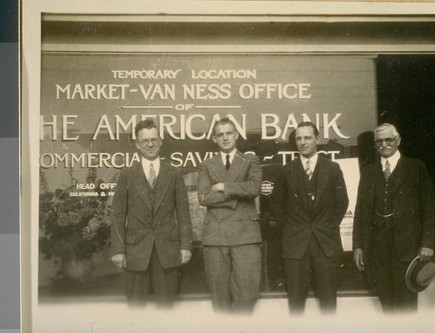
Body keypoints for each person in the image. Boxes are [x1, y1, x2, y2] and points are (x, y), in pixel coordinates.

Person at [352, 123, 435, 313]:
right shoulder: (368, 172)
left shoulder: (415, 167)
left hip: (408, 247)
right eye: (379, 141)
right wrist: (358, 246)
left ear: (397, 140)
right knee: (386, 302)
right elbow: (360, 211)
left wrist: (428, 243)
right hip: (377, 247)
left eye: (388, 139)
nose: (383, 144)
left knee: (406, 303)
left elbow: (429, 208)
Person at [110, 119, 192, 307]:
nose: (150, 144)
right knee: (136, 308)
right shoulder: (126, 174)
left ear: (160, 141)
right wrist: (118, 250)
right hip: (135, 252)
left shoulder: (174, 173)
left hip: (167, 252)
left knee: (166, 308)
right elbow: (118, 215)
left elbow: (183, 212)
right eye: (145, 141)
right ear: (137, 145)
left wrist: (185, 246)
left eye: (154, 139)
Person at [271, 121, 349, 314]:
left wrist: (327, 226)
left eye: (307, 137)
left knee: (328, 301)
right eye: (298, 138)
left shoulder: (332, 168)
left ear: (317, 139)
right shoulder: (286, 170)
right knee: (296, 302)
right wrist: (292, 228)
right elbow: (276, 205)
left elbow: (342, 202)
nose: (303, 142)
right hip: (295, 244)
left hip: (326, 243)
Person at [197, 117, 263, 313]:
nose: (225, 138)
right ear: (214, 139)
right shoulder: (206, 165)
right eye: (220, 134)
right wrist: (235, 196)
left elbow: (254, 187)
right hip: (216, 237)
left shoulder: (251, 160)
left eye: (228, 133)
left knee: (247, 296)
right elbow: (204, 197)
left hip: (246, 236)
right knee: (220, 299)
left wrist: (224, 187)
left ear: (236, 135)